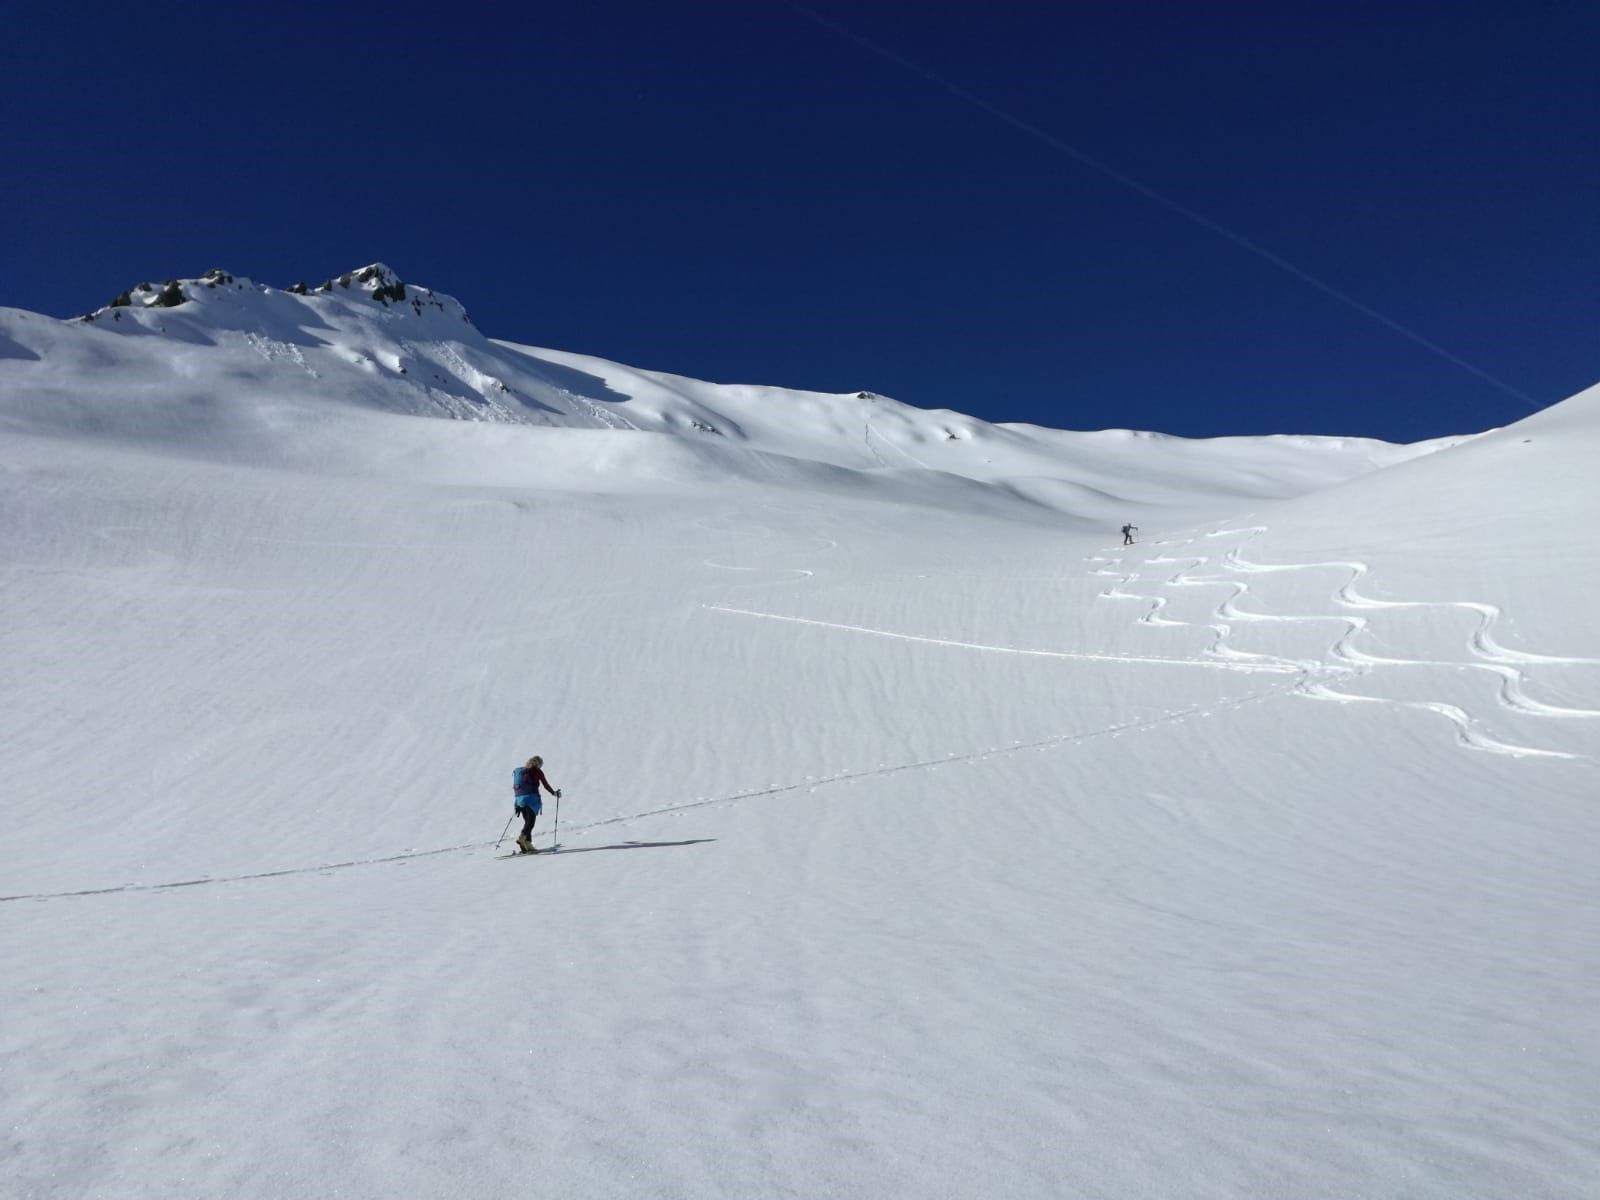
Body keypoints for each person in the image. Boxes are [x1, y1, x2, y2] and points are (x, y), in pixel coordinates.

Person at [512, 755, 561, 853]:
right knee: (531, 822)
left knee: (527, 821)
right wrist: (554, 793)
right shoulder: (537, 771)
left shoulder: (520, 771)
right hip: (530, 799)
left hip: (519, 800)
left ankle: (527, 845)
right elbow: (545, 785)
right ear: (539, 764)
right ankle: (522, 838)